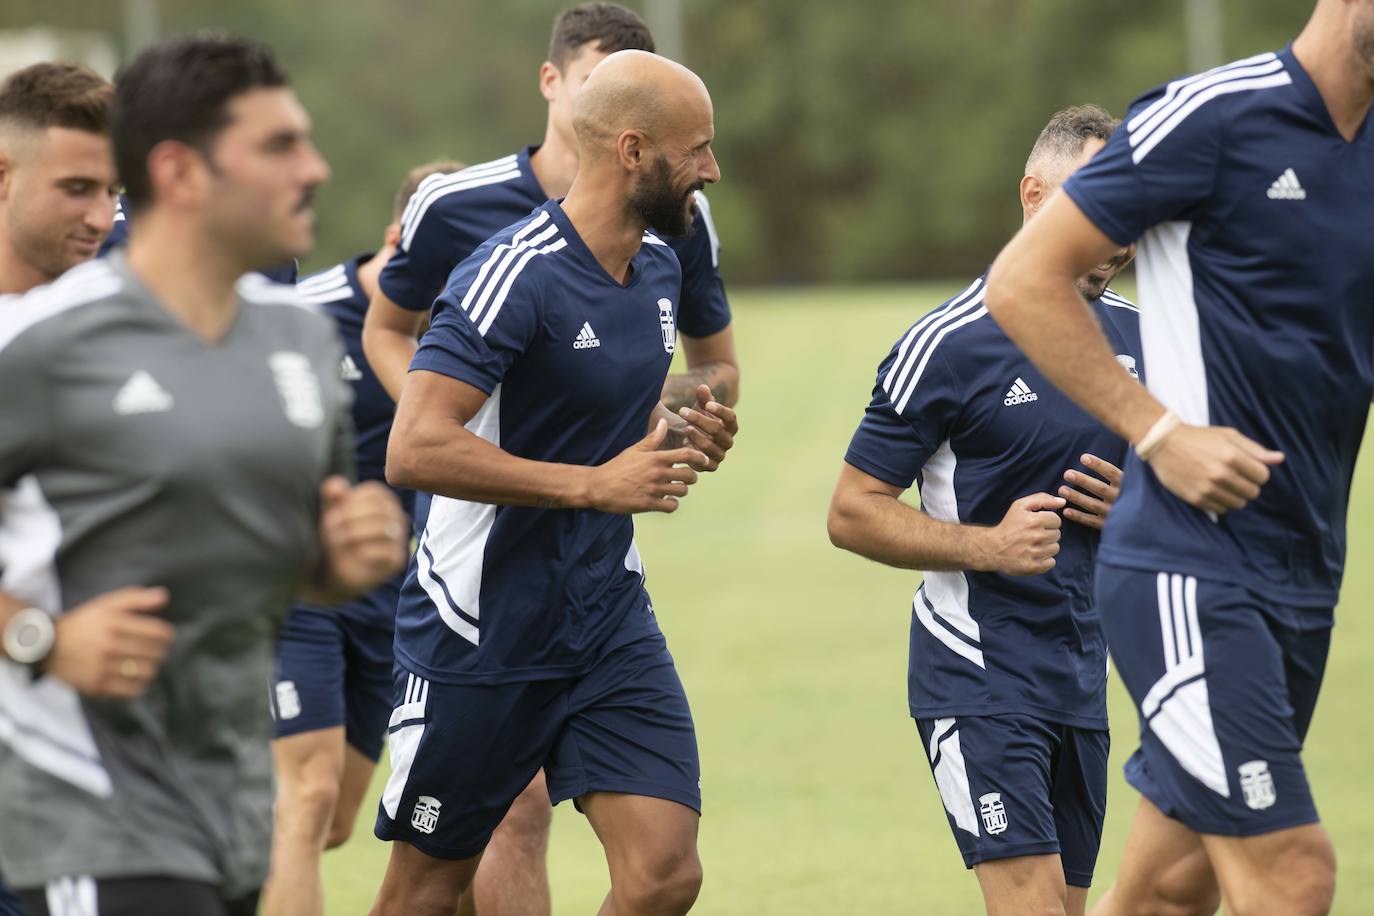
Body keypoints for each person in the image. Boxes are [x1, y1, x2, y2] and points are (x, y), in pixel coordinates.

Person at [0, 34, 409, 916]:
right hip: (88, 804)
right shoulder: (41, 343)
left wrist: (341, 557)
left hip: (228, 811)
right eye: (278, 147)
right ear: (183, 174)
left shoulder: (298, 341)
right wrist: (41, 637)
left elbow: (287, 564)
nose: (315, 169)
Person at [983, 2, 1374, 914]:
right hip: (1190, 570)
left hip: (1306, 577)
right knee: (1292, 871)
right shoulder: (1212, 115)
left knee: (1169, 890)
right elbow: (1023, 280)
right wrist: (1163, 435)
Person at [362, 7, 740, 912]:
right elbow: (413, 448)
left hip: (607, 613)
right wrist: (594, 485)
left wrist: (690, 419)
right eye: (696, 151)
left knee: (663, 873)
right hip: (480, 625)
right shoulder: (510, 270)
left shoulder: (660, 263)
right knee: (427, 888)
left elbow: (645, 391)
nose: (712, 170)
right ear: (633, 151)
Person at [827, 106, 1138, 916]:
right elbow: (853, 511)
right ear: (1034, 196)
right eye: (1100, 201)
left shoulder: (1148, 338)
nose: (1121, 232)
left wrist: (1140, 504)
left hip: (1084, 675)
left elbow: (1204, 493)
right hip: (978, 676)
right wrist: (990, 546)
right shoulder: (949, 343)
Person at [260, 157, 463, 916]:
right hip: (298, 589)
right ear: (396, 242)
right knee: (306, 799)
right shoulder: (300, 316)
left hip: (399, 601)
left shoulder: (476, 329)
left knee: (334, 822)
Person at [0, 58, 119, 916]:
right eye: (76, 187)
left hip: (86, 769)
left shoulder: (110, 338)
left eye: (112, 190)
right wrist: (42, 639)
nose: (101, 216)